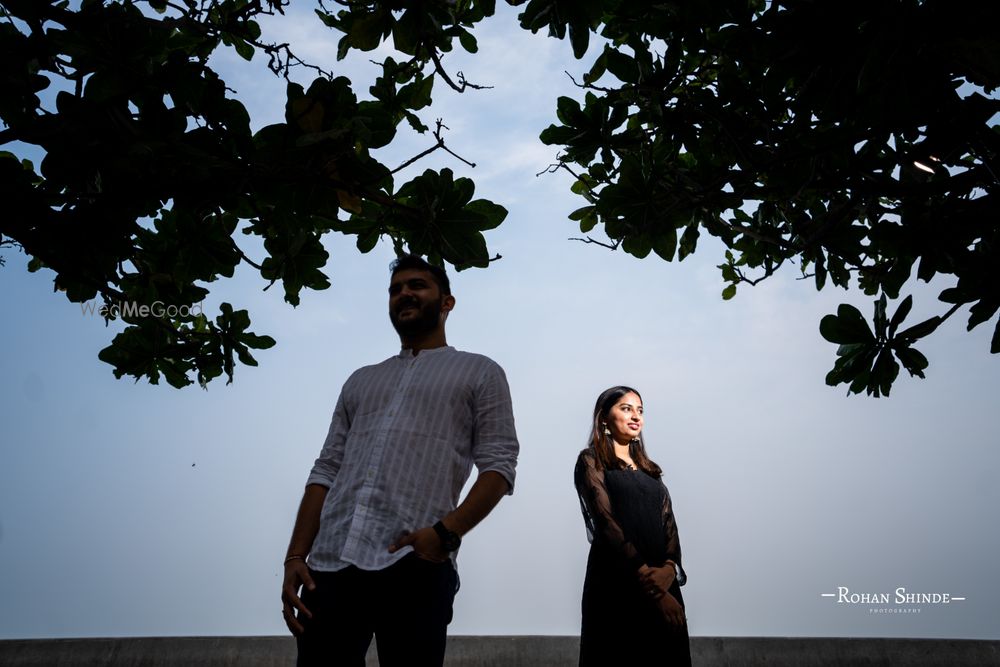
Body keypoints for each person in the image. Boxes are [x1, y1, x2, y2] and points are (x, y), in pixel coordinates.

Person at [281, 254, 519, 667]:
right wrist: (295, 556)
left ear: (447, 302)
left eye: (417, 285)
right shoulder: (361, 379)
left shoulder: (480, 372)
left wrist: (444, 535)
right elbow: (326, 469)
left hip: (415, 562)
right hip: (331, 563)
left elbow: (499, 466)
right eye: (395, 289)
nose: (404, 294)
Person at [574, 386, 691, 666]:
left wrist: (668, 569)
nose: (636, 416)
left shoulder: (651, 471)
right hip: (617, 583)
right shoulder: (591, 461)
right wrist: (650, 582)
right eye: (626, 408)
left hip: (663, 581)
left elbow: (669, 527)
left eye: (640, 410)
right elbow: (606, 523)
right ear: (604, 417)